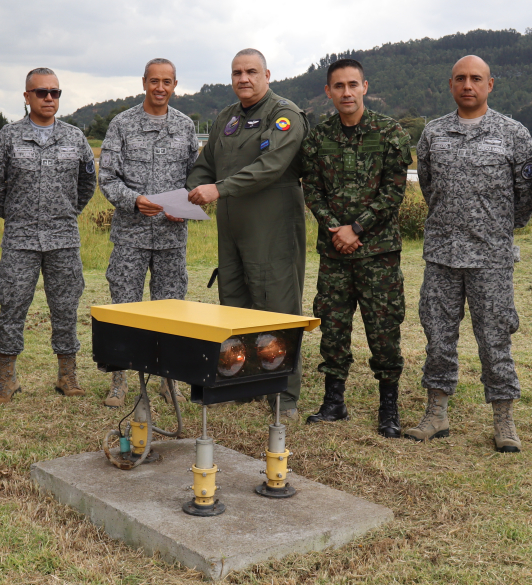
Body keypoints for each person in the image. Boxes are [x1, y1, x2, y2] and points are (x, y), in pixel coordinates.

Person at [408, 55, 532, 451]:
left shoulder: (513, 134)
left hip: (491, 258)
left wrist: (492, 228)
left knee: (496, 338)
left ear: (490, 84)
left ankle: (504, 420)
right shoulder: (433, 133)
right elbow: (429, 187)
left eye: (476, 78)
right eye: (461, 78)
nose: (468, 85)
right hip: (443, 255)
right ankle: (436, 413)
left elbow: (525, 197)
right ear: (451, 85)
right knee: (438, 336)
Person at [187, 49, 309, 417]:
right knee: (235, 304)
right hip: (233, 228)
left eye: (251, 71)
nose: (244, 78)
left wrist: (218, 189)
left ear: (267, 74)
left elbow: (271, 166)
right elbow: (204, 165)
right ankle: (242, 382)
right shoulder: (227, 117)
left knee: (277, 307)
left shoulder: (284, 114)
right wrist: (192, 192)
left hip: (272, 225)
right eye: (237, 72)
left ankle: (283, 395)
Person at [299, 59, 412, 437]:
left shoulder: (390, 132)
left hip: (376, 252)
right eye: (338, 86)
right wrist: (335, 228)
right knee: (332, 329)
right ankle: (334, 403)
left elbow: (394, 190)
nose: (346, 93)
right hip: (334, 253)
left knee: (383, 331)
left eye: (353, 85)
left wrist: (357, 228)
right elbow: (311, 187)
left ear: (365, 86)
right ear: (328, 91)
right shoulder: (318, 136)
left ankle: (388, 408)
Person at [0, 68, 97, 404]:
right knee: (12, 306)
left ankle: (67, 375)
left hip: (63, 238)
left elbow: (87, 183)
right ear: (27, 96)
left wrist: (66, 211)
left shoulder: (75, 138)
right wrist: (15, 215)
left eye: (55, 93)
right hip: (20, 238)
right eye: (42, 92)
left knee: (65, 307)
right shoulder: (8, 137)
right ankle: (6, 379)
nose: (49, 98)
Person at [97, 58, 200, 407]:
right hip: (131, 236)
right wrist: (134, 201)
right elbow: (107, 179)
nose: (160, 88)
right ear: (144, 82)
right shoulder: (122, 124)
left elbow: (194, 178)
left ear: (174, 85)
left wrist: (185, 206)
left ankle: (169, 380)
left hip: (171, 237)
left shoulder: (185, 127)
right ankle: (119, 380)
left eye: (167, 81)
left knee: (171, 309)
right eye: (154, 81)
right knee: (125, 308)